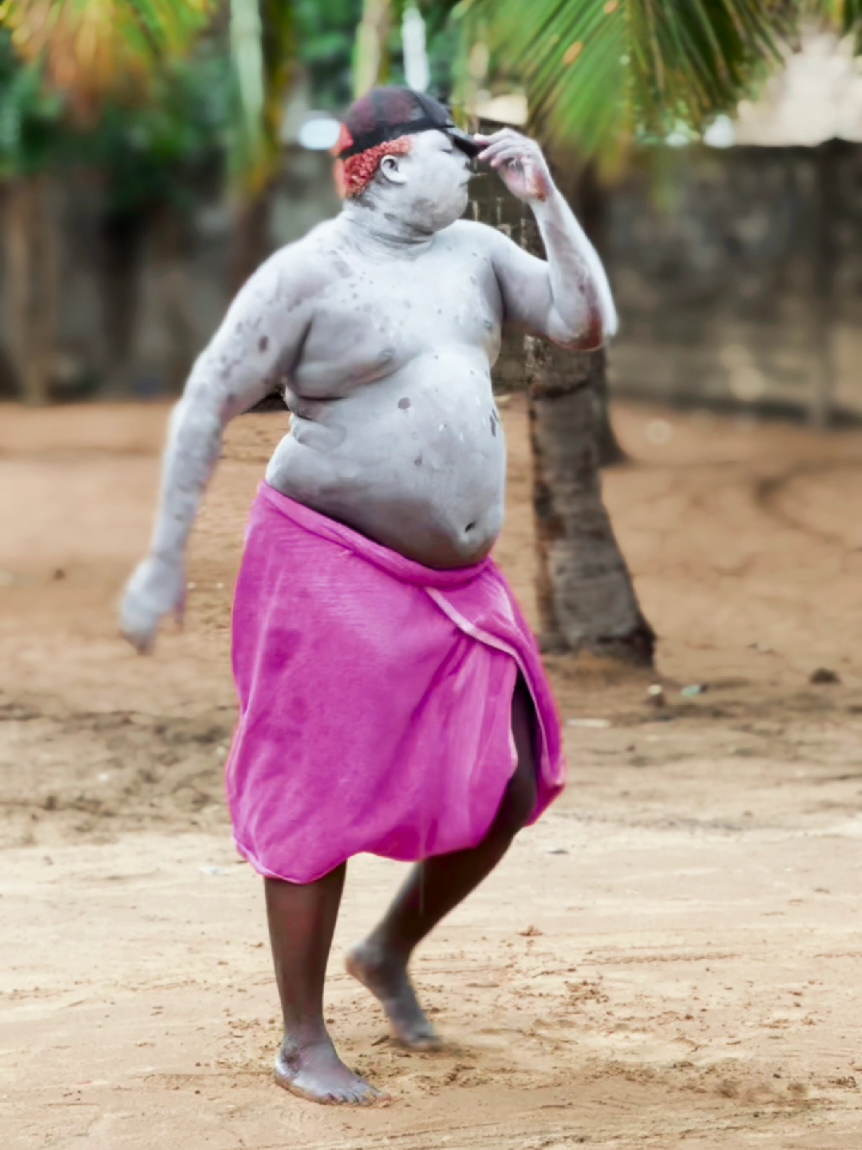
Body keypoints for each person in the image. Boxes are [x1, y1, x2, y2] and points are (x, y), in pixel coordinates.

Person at [120, 87, 617, 1106]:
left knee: (514, 776)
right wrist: (164, 557)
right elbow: (208, 399)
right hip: (328, 560)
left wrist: (545, 196)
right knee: (318, 788)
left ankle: (386, 950)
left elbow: (584, 324)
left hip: (454, 579)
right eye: (452, 150)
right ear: (390, 165)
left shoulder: (476, 252)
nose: (472, 164)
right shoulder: (308, 274)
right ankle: (301, 1040)